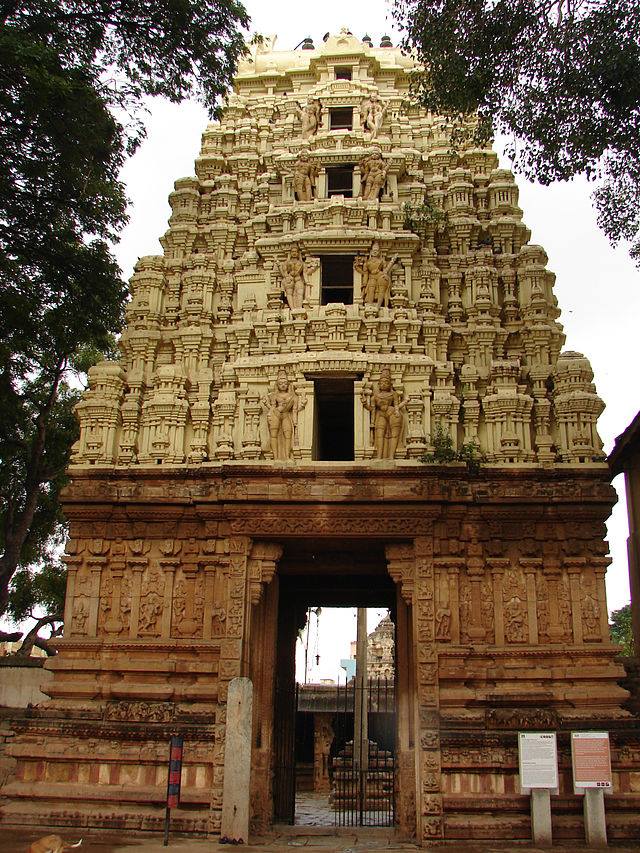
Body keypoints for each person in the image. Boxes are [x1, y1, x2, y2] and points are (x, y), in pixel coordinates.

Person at [361, 368, 406, 459]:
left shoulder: (393, 394)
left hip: (392, 413)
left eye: (386, 382)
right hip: (381, 415)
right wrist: (365, 403)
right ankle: (379, 456)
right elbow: (372, 409)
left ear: (390, 384)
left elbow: (396, 404)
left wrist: (397, 411)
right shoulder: (375, 397)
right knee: (379, 435)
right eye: (382, 382)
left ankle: (391, 456)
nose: (384, 384)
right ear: (378, 384)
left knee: (394, 435)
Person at [261, 372, 302, 460]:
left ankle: (287, 456)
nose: (283, 385)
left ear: (288, 385)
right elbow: (272, 407)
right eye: (280, 383)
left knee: (288, 434)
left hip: (286, 415)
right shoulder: (274, 395)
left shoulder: (294, 397)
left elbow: (294, 411)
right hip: (275, 414)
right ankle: (276, 457)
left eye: (285, 383)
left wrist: (295, 422)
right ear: (277, 385)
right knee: (273, 435)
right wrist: (267, 406)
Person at [360, 242, 399, 307]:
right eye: (374, 250)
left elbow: (385, 271)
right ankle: (370, 304)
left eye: (377, 250)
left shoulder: (382, 261)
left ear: (379, 252)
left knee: (382, 289)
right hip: (372, 277)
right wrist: (364, 284)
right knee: (371, 288)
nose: (375, 252)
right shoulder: (367, 262)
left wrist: (392, 261)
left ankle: (379, 305)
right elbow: (366, 274)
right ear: (371, 251)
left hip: (380, 275)